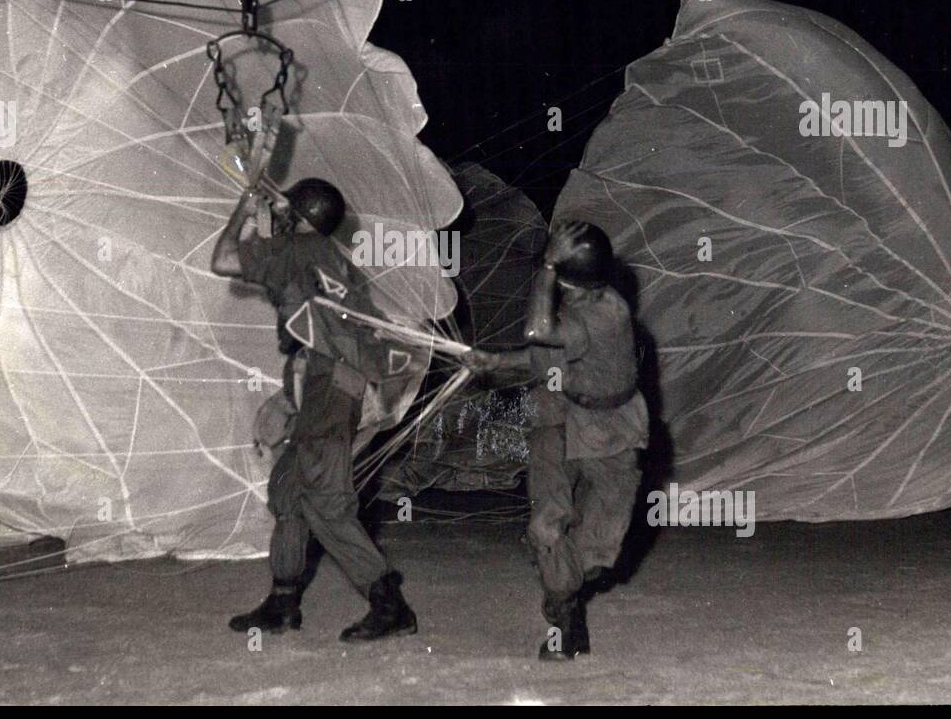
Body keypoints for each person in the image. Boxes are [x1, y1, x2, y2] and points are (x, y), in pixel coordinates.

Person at [211, 169, 417, 644]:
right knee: (288, 491)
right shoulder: (333, 258)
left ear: (298, 216)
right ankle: (283, 601)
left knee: (326, 502)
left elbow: (223, 259)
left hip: (330, 385)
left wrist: (245, 208)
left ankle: (390, 604)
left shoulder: (293, 252)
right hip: (338, 384)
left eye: (286, 209)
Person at [466, 221, 648, 660]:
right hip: (560, 415)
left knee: (600, 551)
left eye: (555, 274)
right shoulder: (584, 306)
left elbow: (538, 334)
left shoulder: (606, 314)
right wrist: (496, 363)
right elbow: (543, 357)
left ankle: (565, 588)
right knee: (547, 523)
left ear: (565, 279)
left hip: (612, 430)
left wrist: (546, 265)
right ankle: (566, 618)